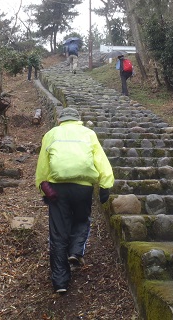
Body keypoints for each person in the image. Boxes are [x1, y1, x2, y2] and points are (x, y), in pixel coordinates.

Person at [35, 107, 114, 294]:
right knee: (81, 220)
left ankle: (60, 282)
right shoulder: (88, 133)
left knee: (58, 233)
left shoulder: (51, 134)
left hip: (57, 188)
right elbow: (101, 160)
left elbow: (42, 166)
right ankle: (75, 252)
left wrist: (42, 187)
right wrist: (105, 184)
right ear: (78, 119)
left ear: (60, 120)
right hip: (83, 187)